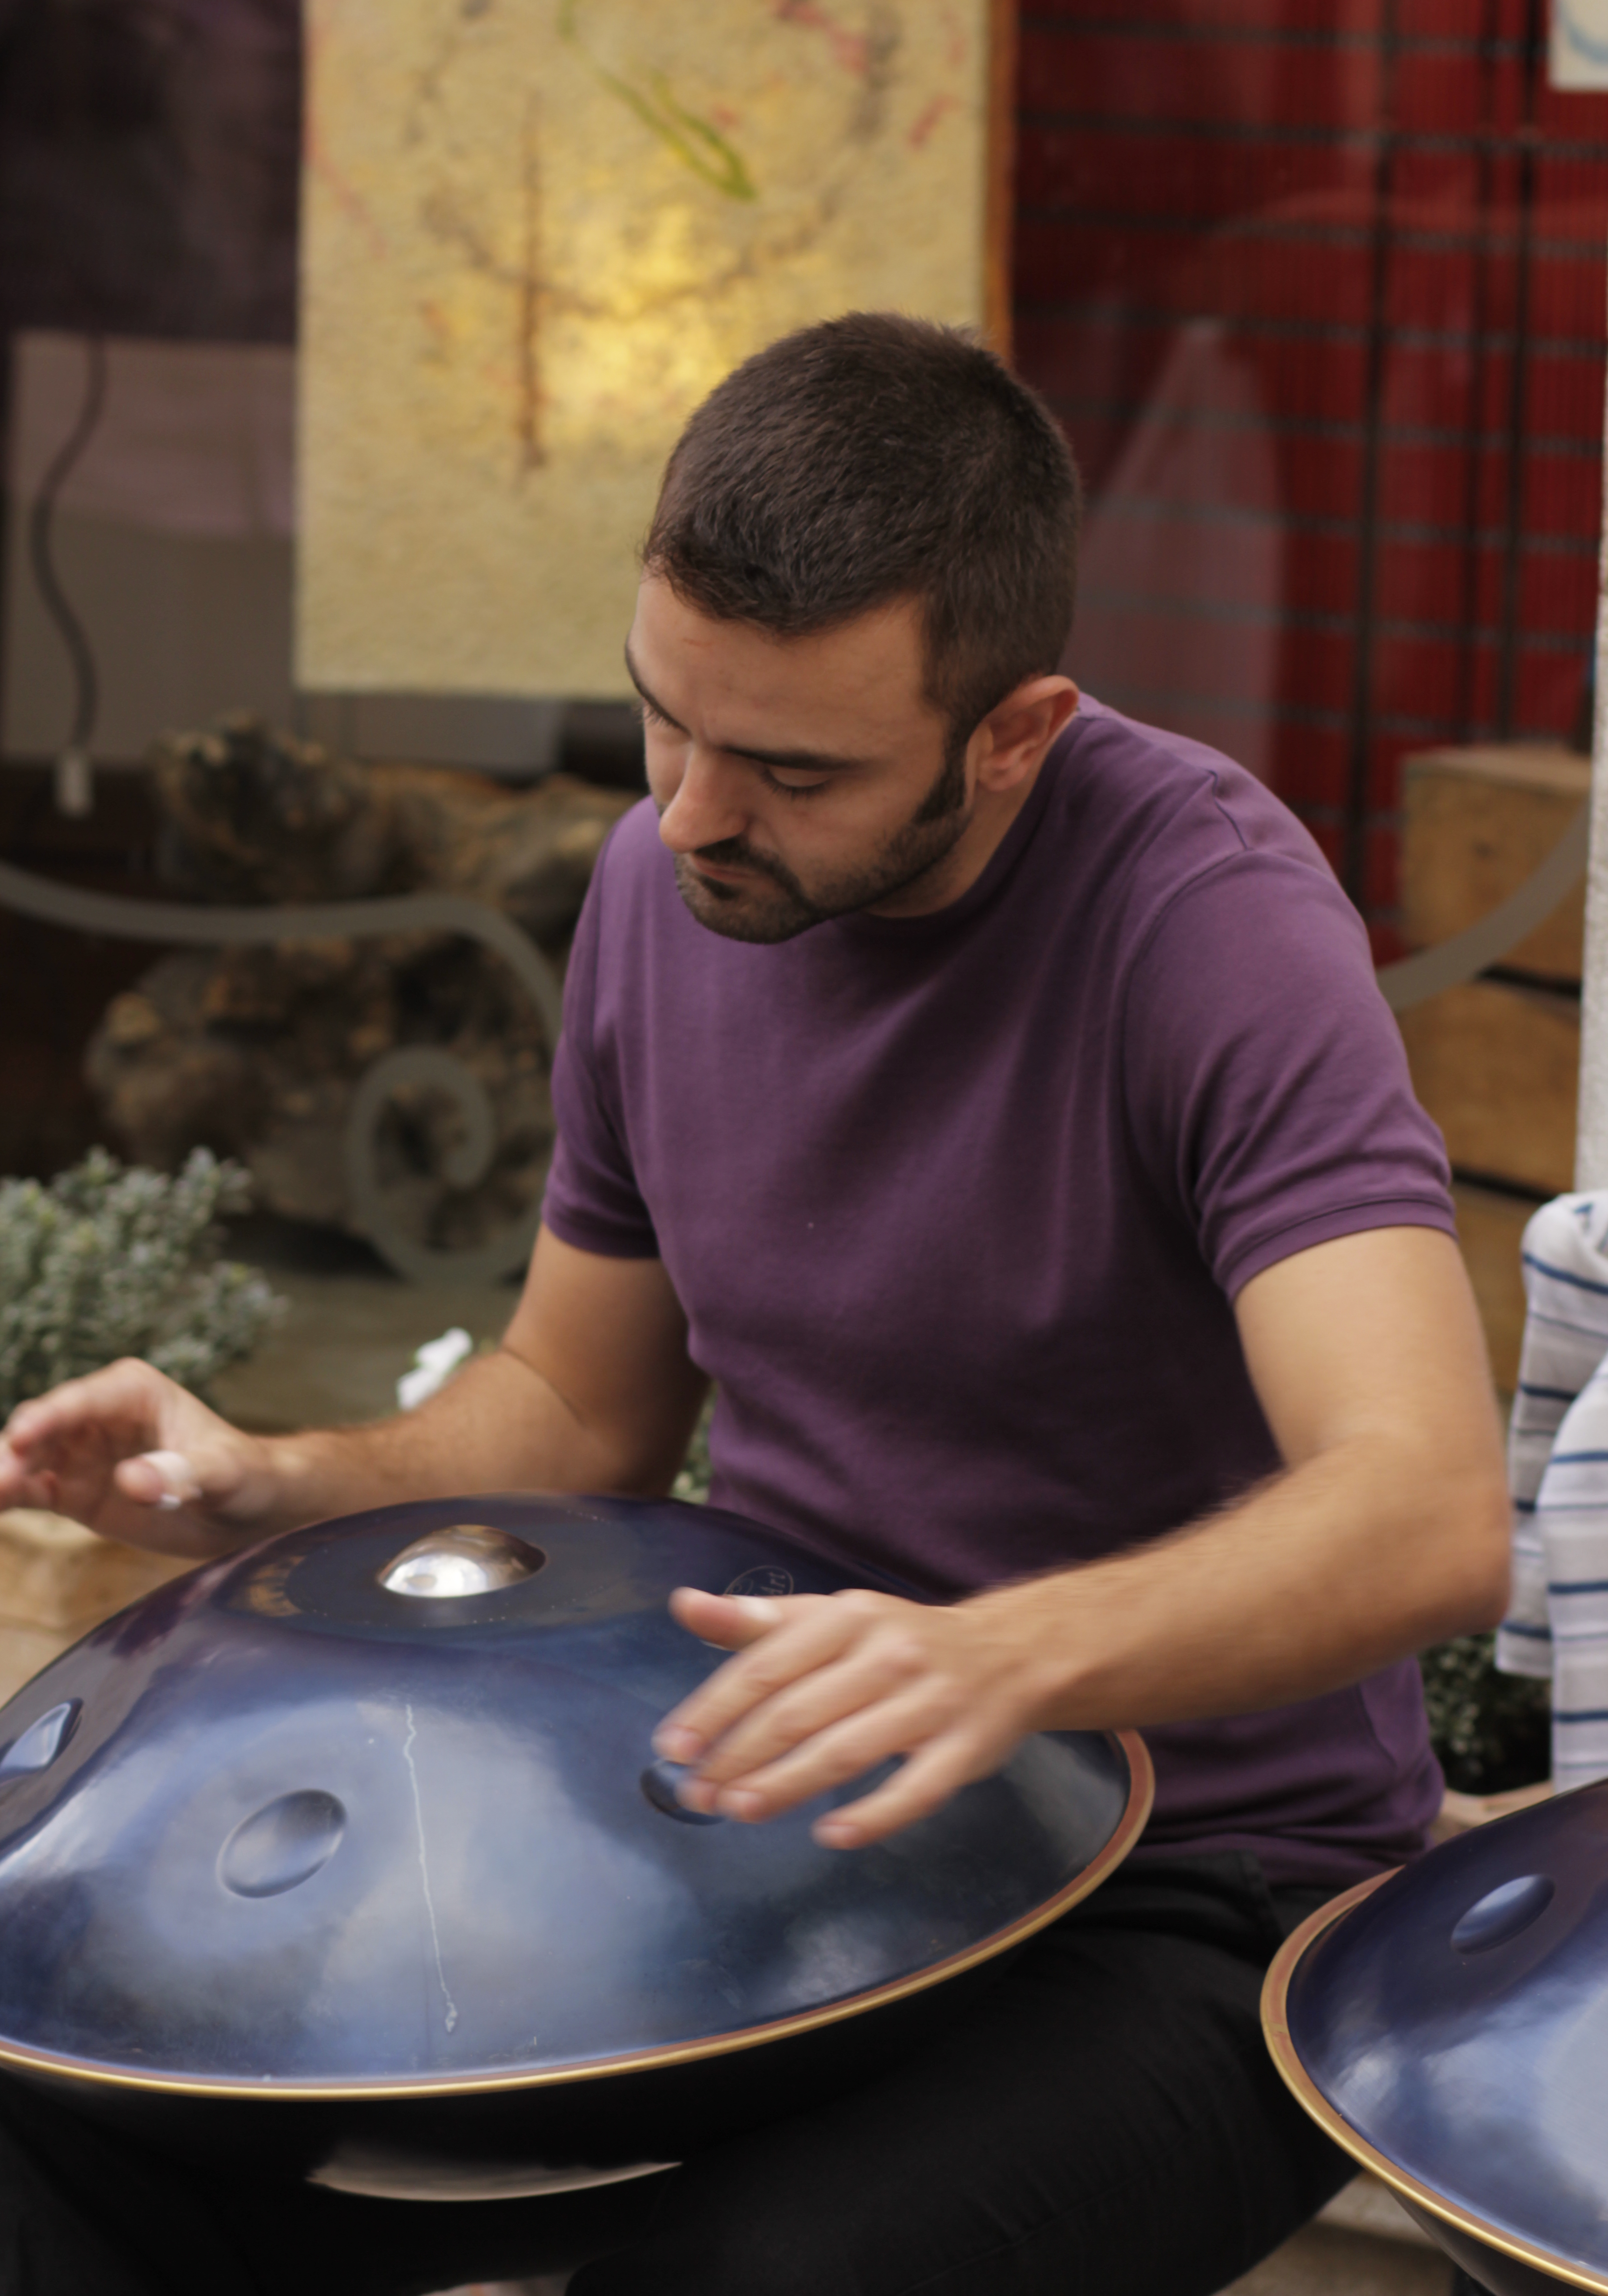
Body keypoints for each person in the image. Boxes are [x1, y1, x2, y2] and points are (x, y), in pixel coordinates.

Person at [0, 313, 1509, 2296]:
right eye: (664, 719)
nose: (695, 812)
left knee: (759, 2280)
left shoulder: (1208, 927)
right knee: (51, 2129)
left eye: (793, 768)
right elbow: (578, 1407)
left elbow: (1426, 1508)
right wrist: (264, 1481)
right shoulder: (670, 884)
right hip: (781, 1836)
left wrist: (996, 1659)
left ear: (1015, 732)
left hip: (1196, 1887)